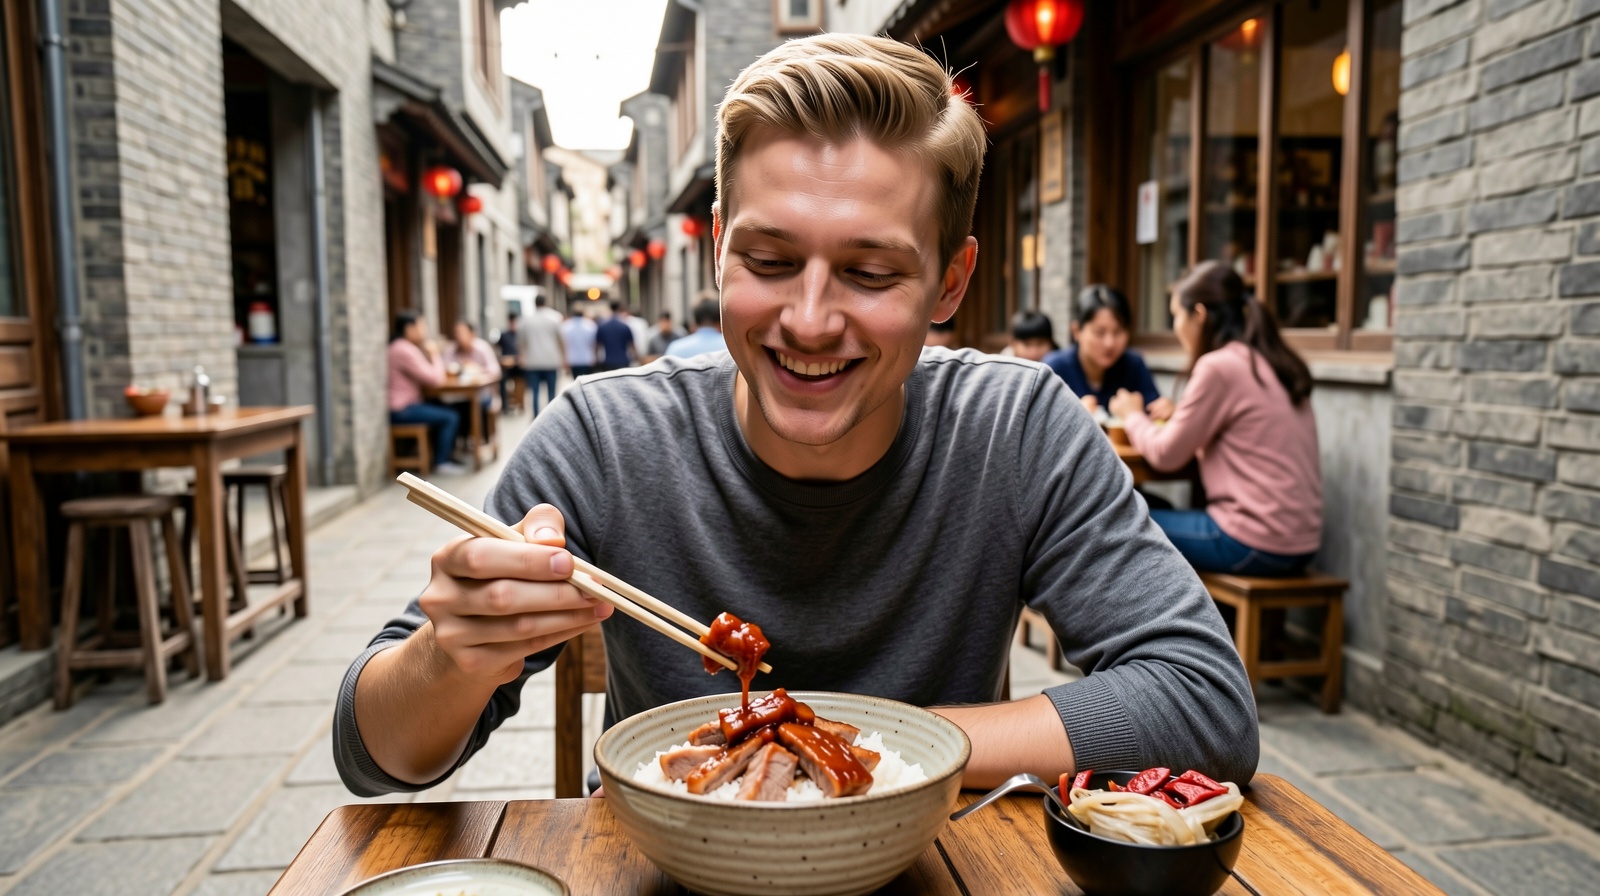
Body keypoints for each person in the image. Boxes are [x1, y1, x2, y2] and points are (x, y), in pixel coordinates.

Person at [336, 34, 1255, 800]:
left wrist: (863, 748)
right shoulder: (606, 440)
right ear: (720, 251)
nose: (810, 320)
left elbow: (1204, 701)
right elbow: (374, 756)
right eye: (770, 261)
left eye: (870, 272)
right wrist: (454, 656)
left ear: (951, 282)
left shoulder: (1012, 430)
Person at [1109, 261, 1321, 576]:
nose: (1176, 327)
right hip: (1302, 542)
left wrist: (1133, 416)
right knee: (1154, 509)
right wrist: (1181, 414)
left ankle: (1145, 625)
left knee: (1114, 519)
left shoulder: (1218, 366)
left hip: (1251, 541)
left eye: (1176, 316)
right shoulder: (1273, 360)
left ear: (1199, 315)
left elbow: (1167, 454)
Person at [1045, 285, 1171, 418]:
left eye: (1118, 332)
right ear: (1077, 331)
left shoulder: (1133, 364)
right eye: (1099, 332)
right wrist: (1072, 417)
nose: (1109, 343)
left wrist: (1167, 411)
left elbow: (1155, 409)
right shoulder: (1055, 368)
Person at [386, 311, 465, 476]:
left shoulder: (400, 347)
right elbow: (436, 379)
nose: (425, 331)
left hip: (408, 405)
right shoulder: (404, 350)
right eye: (422, 326)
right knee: (450, 416)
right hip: (402, 409)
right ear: (409, 328)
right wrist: (434, 352)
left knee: (445, 407)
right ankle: (441, 462)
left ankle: (447, 455)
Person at [443, 321, 501, 454]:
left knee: (475, 406)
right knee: (452, 408)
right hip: (457, 397)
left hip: (482, 395)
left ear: (472, 334)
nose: (458, 336)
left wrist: (477, 369)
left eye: (462, 333)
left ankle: (478, 442)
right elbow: (444, 369)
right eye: (456, 333)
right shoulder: (451, 350)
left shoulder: (482, 348)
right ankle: (458, 446)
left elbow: (495, 371)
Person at [518, 294, 566, 416]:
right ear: (546, 302)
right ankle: (551, 417)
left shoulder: (526, 319)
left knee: (534, 392)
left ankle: (535, 418)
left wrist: (522, 356)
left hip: (532, 361)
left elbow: (521, 342)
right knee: (552, 393)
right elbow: (561, 340)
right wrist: (564, 358)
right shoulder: (555, 317)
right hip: (551, 360)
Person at [594, 301, 637, 371]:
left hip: (608, 361)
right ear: (619, 308)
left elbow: (597, 345)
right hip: (623, 360)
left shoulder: (602, 326)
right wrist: (637, 358)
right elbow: (631, 345)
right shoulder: (624, 326)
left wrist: (595, 359)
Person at [560, 308, 597, 378]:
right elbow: (594, 344)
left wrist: (564, 360)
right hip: (587, 359)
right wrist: (595, 356)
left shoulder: (566, 326)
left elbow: (564, 345)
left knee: (576, 381)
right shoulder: (590, 325)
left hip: (573, 359)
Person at [497, 312, 520, 413]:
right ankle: (505, 406)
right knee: (502, 380)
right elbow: (498, 347)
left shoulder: (520, 334)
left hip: (518, 365)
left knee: (521, 379)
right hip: (506, 364)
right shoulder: (504, 334)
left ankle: (519, 403)